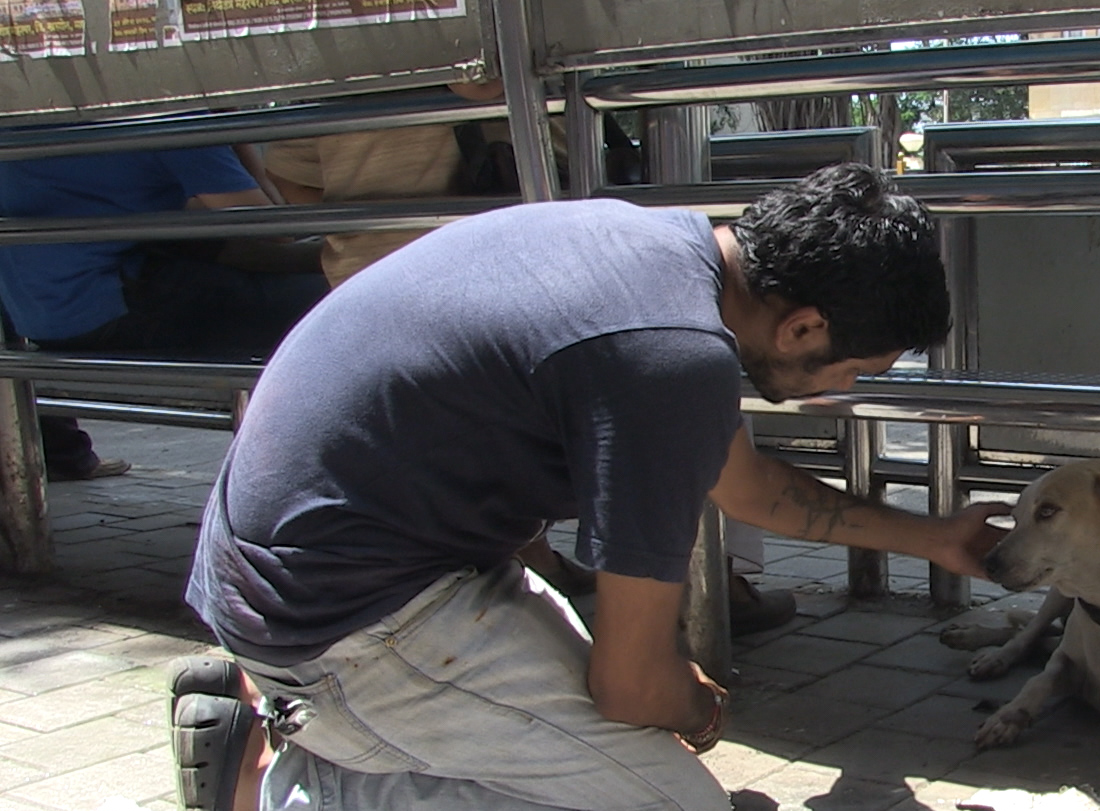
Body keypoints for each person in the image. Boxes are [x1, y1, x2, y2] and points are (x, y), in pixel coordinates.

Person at [174, 163, 1005, 811]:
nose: (845, 390)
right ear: (804, 326)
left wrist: (934, 539)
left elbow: (746, 489)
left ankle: (281, 700)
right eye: (853, 370)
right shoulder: (670, 362)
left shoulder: (664, 254)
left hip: (309, 569)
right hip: (342, 622)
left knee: (632, 758)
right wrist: (695, 709)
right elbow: (630, 685)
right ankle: (294, 789)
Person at [264, 94, 795, 630]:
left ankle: (535, 564)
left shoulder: (327, 42)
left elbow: (290, 178)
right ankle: (695, 582)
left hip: (372, 289)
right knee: (665, 397)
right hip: (546, 283)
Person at [0, 143, 328, 480]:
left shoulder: (27, 115)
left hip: (35, 318)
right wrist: (236, 140)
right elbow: (274, 228)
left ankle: (62, 456)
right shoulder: (174, 120)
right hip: (116, 309)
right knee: (334, 300)